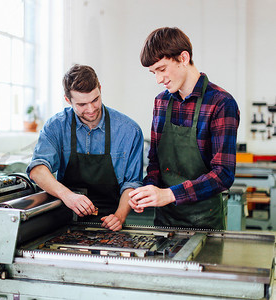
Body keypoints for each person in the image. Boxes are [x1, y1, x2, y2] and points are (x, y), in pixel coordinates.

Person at [129, 27, 240, 230]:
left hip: (205, 223)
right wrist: (147, 191)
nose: (158, 80)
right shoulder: (161, 102)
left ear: (183, 57)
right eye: (153, 73)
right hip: (164, 221)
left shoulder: (221, 103)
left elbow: (223, 174)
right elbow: (155, 162)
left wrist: (168, 194)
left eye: (162, 69)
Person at [27, 64, 143, 231]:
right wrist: (68, 196)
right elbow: (37, 170)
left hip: (110, 221)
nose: (91, 109)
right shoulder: (56, 126)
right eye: (82, 104)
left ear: (100, 89)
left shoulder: (129, 130)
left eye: (95, 100)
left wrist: (119, 216)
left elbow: (132, 182)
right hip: (64, 220)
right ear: (68, 100)